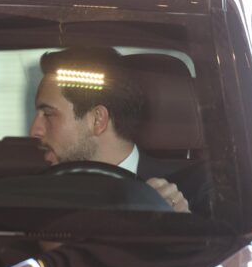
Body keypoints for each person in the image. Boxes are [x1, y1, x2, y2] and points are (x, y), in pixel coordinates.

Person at [29, 47, 199, 213]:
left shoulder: (197, 191)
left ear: (97, 119)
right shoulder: (35, 193)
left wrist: (179, 223)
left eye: (48, 114)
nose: (35, 130)